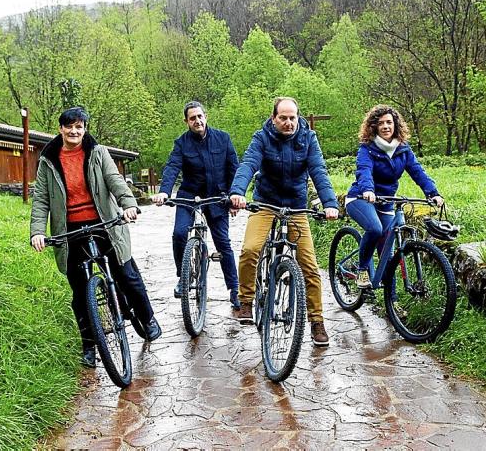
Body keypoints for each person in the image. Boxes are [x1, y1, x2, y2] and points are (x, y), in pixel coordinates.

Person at [30, 107, 161, 368]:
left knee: (127, 275)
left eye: (79, 127)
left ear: (85, 129)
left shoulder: (98, 153)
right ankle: (89, 345)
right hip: (70, 231)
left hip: (104, 223)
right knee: (80, 293)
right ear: (61, 129)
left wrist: (128, 204)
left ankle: (147, 318)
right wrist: (37, 231)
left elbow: (115, 180)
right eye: (69, 126)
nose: (74, 131)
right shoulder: (48, 160)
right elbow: (41, 199)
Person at [229, 97, 339, 347]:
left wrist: (330, 203)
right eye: (283, 118)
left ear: (298, 118)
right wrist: (238, 192)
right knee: (250, 249)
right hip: (266, 202)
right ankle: (246, 301)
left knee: (309, 265)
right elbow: (248, 164)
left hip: (297, 206)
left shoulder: (308, 138)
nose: (289, 123)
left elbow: (318, 170)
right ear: (274, 118)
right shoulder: (262, 137)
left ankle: (317, 320)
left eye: (293, 118)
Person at [151, 101, 241, 308]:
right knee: (179, 233)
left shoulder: (223, 139)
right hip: (189, 195)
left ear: (205, 116)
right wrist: (164, 191)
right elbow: (172, 166)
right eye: (192, 118)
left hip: (217, 196)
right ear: (186, 122)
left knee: (223, 243)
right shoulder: (181, 143)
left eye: (200, 116)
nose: (197, 121)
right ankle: (183, 277)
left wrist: (234, 196)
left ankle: (234, 289)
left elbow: (233, 169)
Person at [345, 105, 444, 288]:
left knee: (387, 256)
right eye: (380, 123)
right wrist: (368, 190)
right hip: (361, 198)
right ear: (374, 127)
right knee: (375, 228)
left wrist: (433, 193)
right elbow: (364, 170)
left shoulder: (403, 150)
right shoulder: (367, 149)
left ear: (395, 124)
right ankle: (362, 270)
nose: (385, 126)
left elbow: (418, 172)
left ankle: (394, 304)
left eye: (389, 122)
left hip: (386, 202)